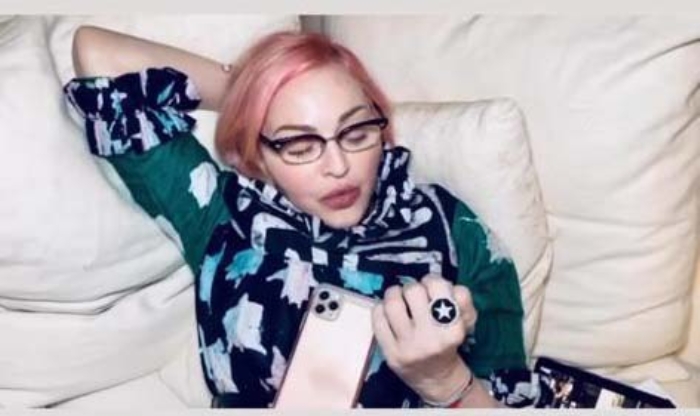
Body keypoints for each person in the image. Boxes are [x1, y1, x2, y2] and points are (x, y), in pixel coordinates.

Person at [63, 25, 527, 408]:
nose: (338, 166)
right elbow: (99, 54)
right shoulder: (221, 215)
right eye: (299, 144)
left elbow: (508, 395)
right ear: (257, 158)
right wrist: (255, 96)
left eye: (356, 132)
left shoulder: (451, 230)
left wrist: (444, 381)